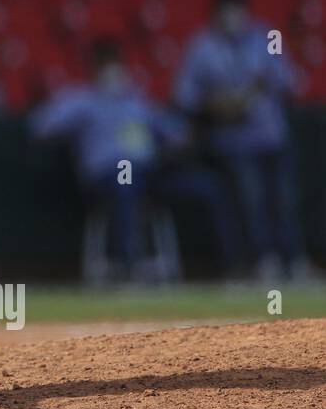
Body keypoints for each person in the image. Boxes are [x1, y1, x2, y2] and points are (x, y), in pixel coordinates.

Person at [31, 39, 239, 282]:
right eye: (105, 67)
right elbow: (41, 126)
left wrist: (190, 129)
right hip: (106, 179)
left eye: (116, 65)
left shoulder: (137, 101)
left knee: (208, 186)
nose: (112, 73)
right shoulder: (82, 101)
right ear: (94, 70)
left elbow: (177, 134)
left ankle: (232, 267)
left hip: (150, 174)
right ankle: (129, 268)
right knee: (125, 182)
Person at [174, 0, 312, 281]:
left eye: (236, 8)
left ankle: (294, 260)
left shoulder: (265, 37)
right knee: (251, 202)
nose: (231, 16)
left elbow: (292, 82)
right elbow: (186, 96)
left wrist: (260, 86)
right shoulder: (202, 46)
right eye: (225, 9)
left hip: (272, 135)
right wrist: (218, 103)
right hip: (235, 141)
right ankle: (263, 261)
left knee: (284, 201)